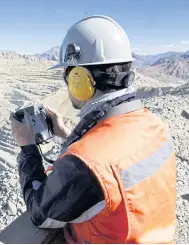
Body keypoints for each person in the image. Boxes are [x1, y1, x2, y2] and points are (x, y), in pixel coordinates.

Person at [10, 15, 176, 244]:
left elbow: (40, 213)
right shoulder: (154, 126)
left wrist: (28, 148)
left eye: (68, 74)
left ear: (80, 79)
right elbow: (111, 161)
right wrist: (68, 135)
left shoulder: (86, 163)